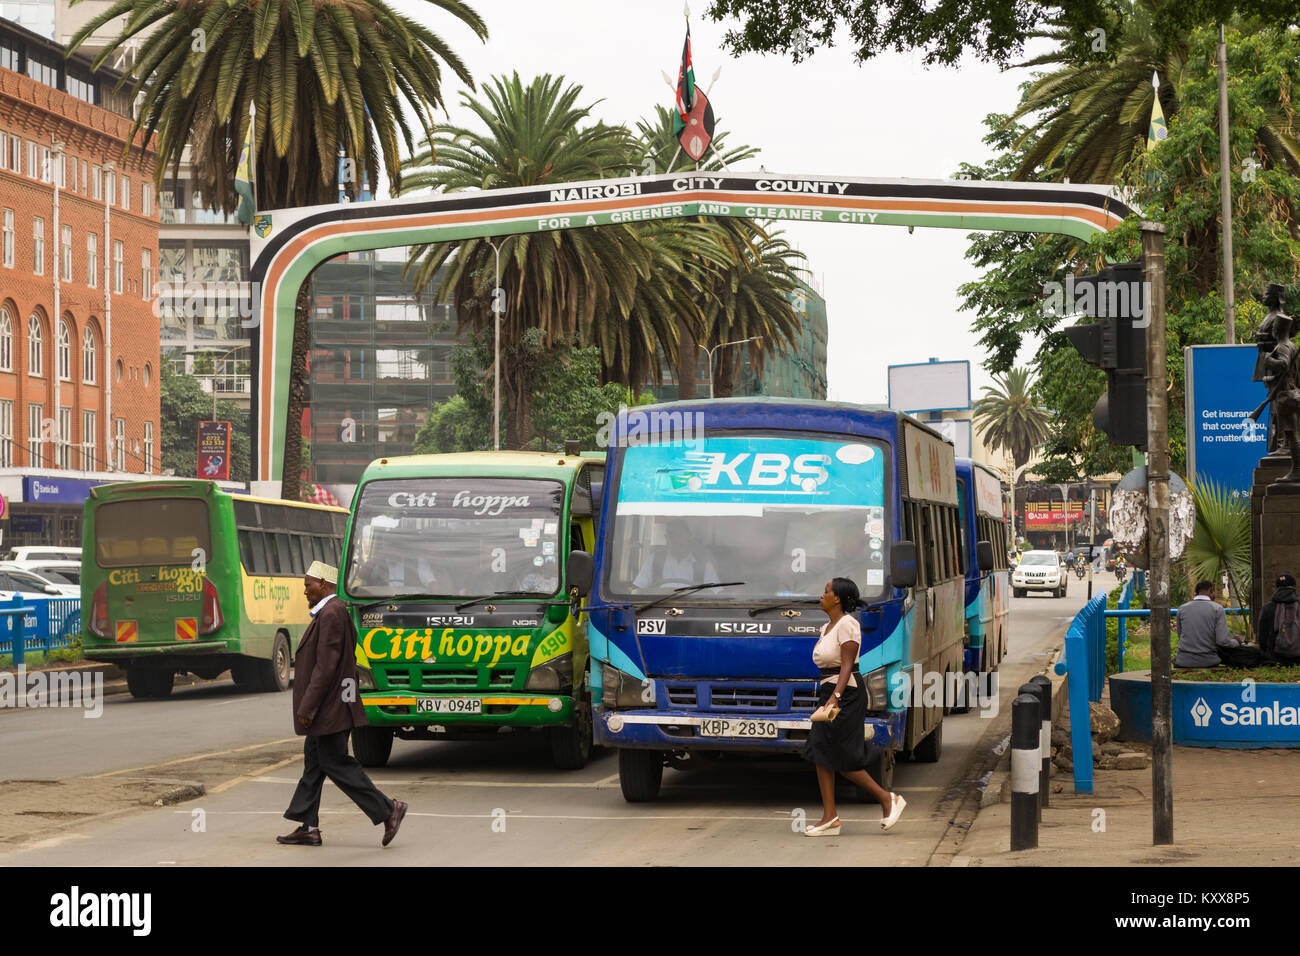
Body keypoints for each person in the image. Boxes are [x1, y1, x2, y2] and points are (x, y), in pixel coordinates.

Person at [279, 561, 408, 847]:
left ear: (323, 584)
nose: (305, 591)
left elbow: (326, 668)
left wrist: (308, 708)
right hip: (330, 708)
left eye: (308, 585)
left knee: (336, 763)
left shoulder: (332, 613)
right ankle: (308, 827)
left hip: (329, 710)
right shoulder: (329, 612)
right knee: (314, 765)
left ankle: (389, 810)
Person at [802, 577, 905, 837]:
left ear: (837, 598)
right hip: (831, 690)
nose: (822, 595)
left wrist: (835, 696)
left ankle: (887, 799)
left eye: (826, 591)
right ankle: (830, 817)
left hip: (845, 693)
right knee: (819, 750)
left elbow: (847, 664)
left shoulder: (848, 624)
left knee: (845, 759)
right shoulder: (827, 626)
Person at [1173, 579, 1260, 669]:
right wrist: (1236, 642)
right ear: (1211, 591)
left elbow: (1181, 635)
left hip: (1183, 660)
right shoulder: (1217, 609)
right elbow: (1222, 641)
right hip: (1208, 661)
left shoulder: (1181, 609)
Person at [632, 519, 718, 589]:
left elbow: (714, 591)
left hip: (692, 607)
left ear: (689, 538)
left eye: (680, 536)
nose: (676, 541)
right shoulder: (654, 559)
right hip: (658, 606)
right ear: (666, 538)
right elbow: (639, 588)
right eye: (672, 536)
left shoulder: (702, 562)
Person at [1258, 573, 1300, 665]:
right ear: (1294, 587)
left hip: (1274, 659)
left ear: (1276, 589)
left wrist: (1266, 654)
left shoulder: (1268, 608)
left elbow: (1262, 638)